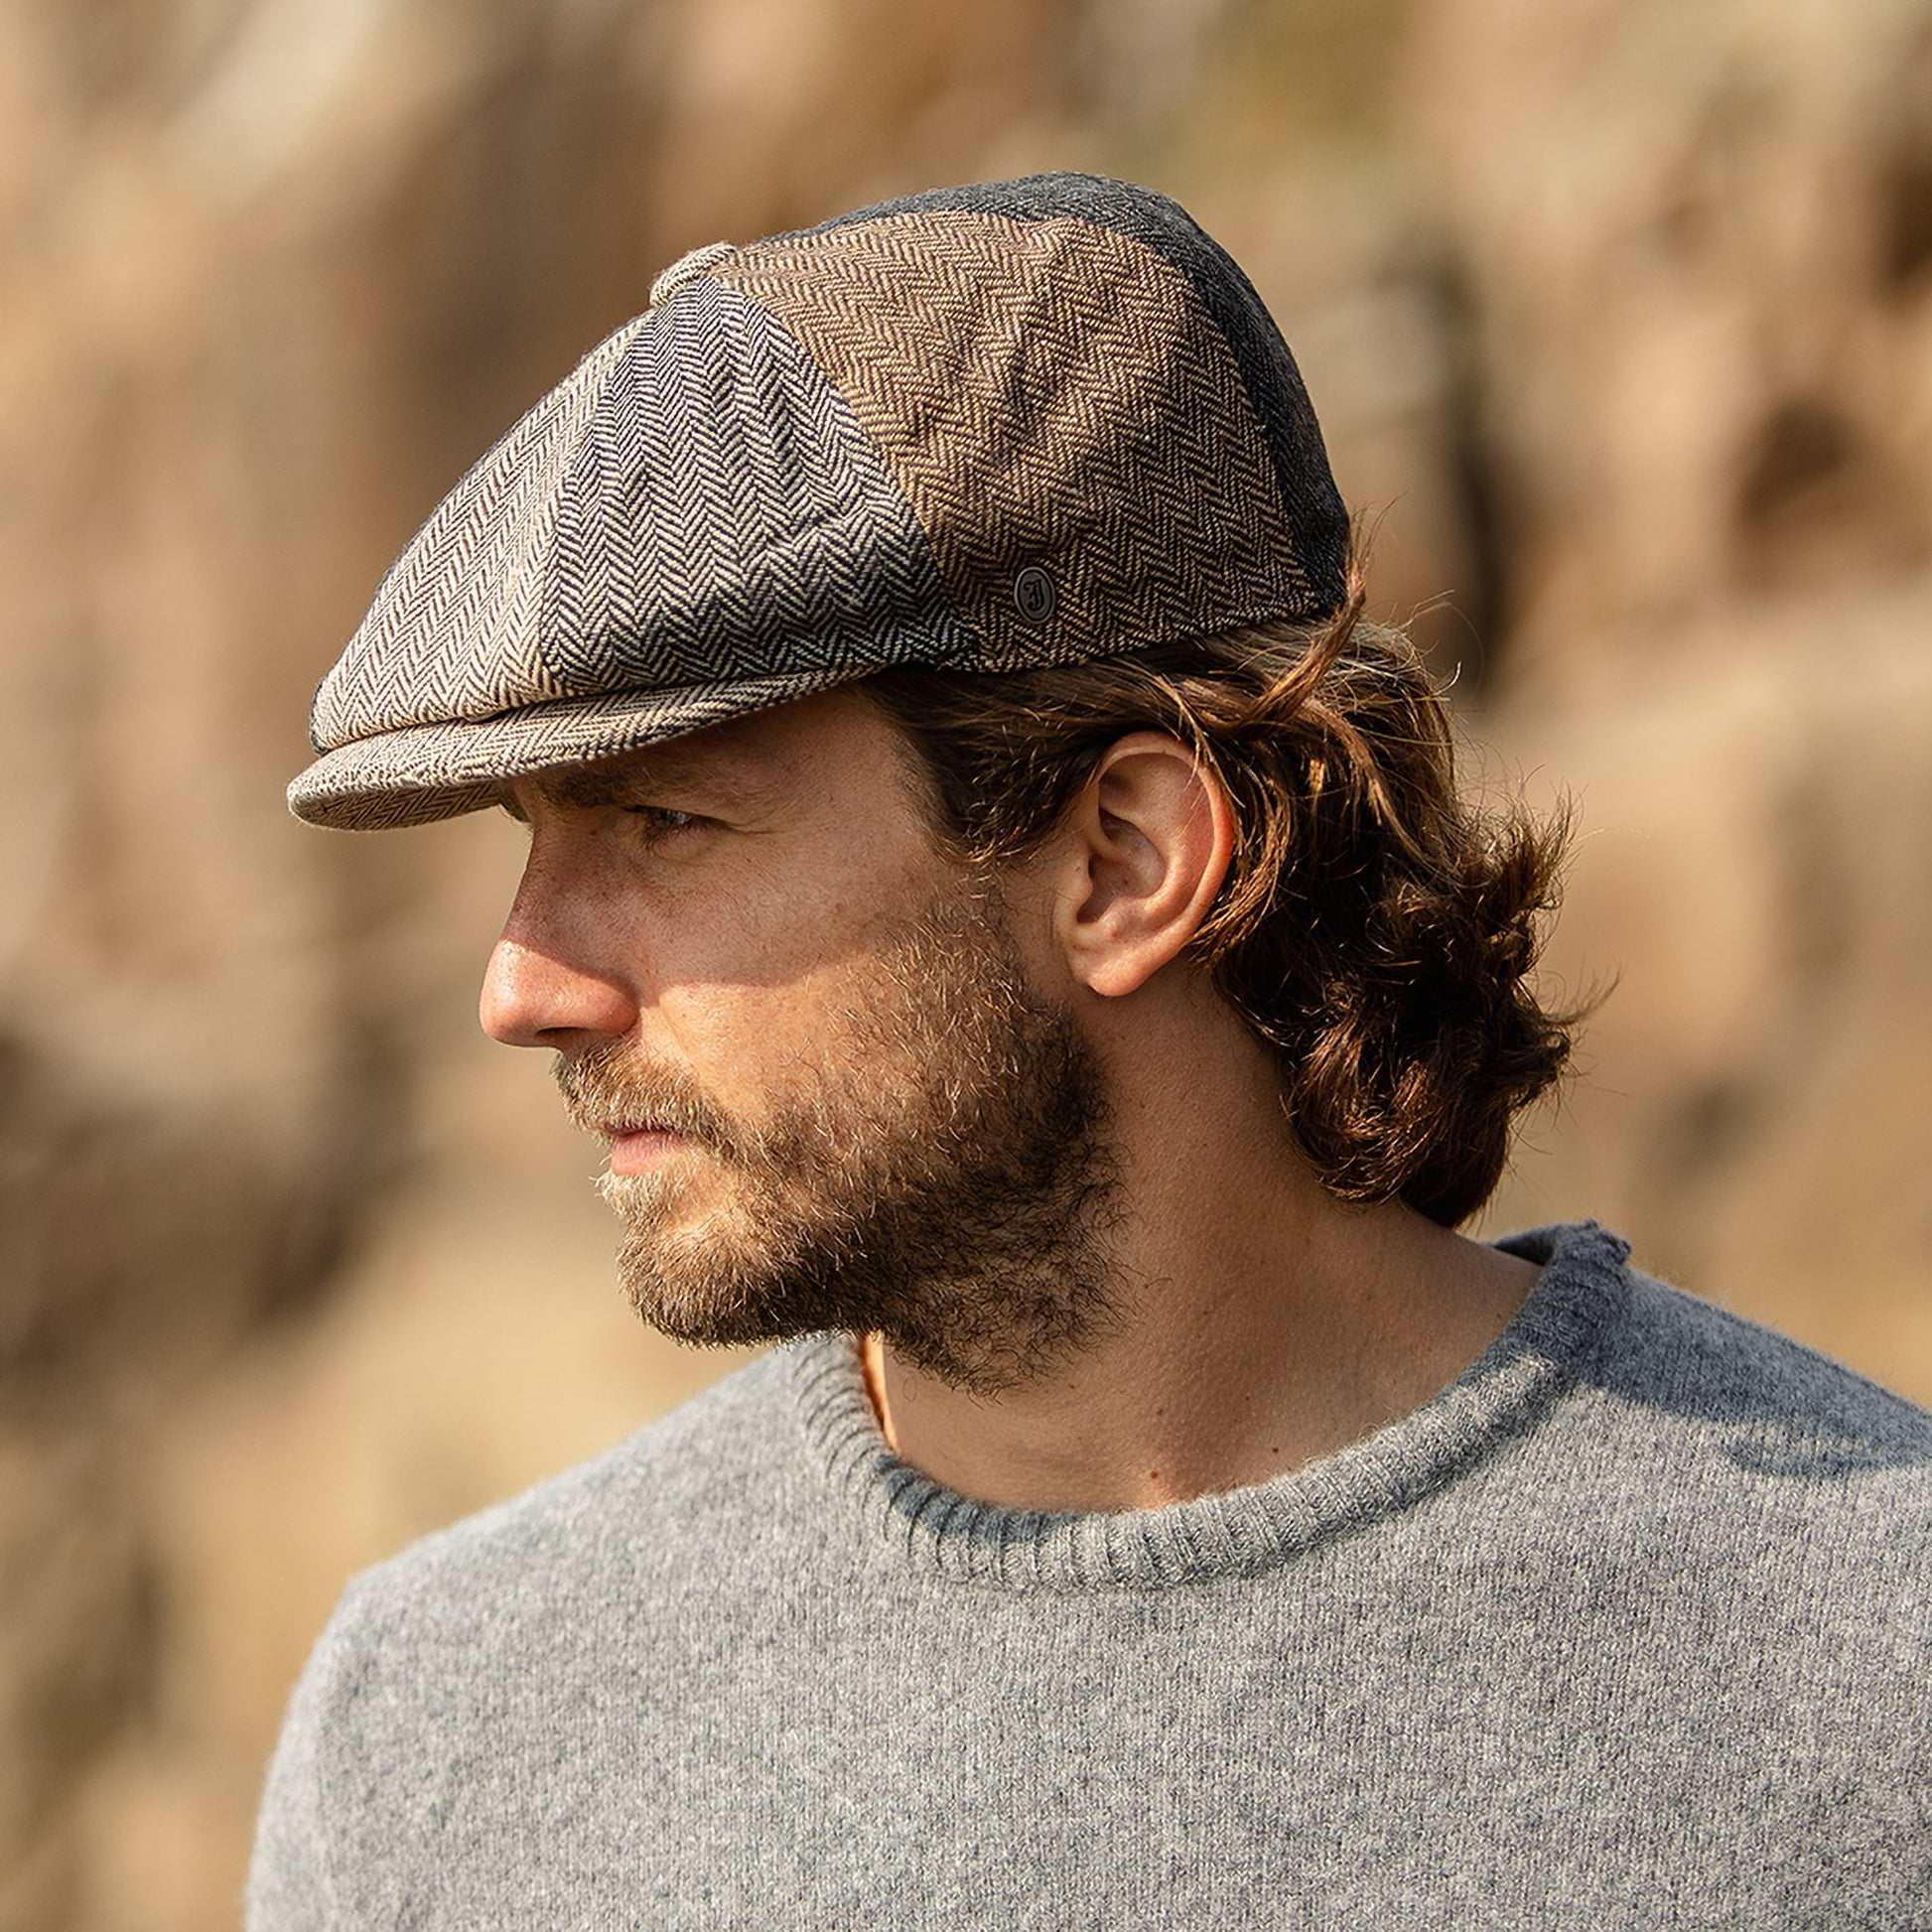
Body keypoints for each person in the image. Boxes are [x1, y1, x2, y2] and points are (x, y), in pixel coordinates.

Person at [251, 175, 1931, 1926]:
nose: (521, 983)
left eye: (662, 821)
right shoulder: (435, 1740)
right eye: (528, 838)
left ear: (1124, 862)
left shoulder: (1869, 1663)